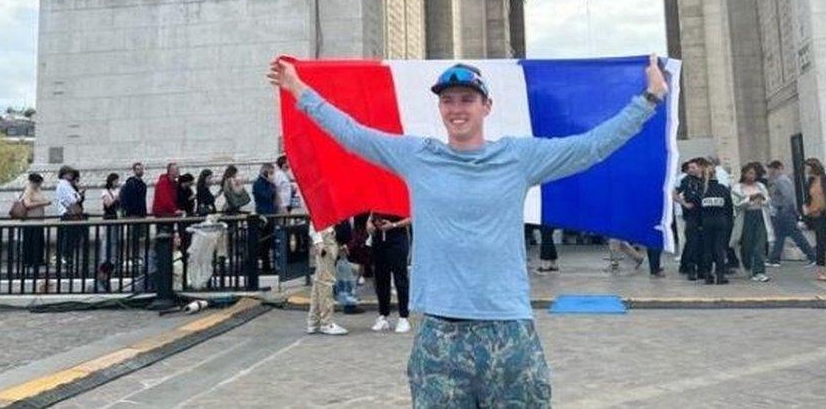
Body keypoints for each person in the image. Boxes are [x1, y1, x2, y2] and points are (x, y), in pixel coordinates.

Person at [270, 54, 666, 406]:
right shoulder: (418, 157)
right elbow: (352, 134)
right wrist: (298, 88)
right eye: (448, 100)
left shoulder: (518, 158)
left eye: (467, 99)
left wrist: (648, 100)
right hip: (440, 334)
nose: (456, 108)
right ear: (440, 107)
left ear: (486, 105)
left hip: (508, 332)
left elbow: (591, 146)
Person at [765, 161, 816, 266]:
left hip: (784, 211)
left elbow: (788, 197)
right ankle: (774, 258)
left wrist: (783, 210)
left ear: (779, 168)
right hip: (781, 211)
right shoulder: (779, 180)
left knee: (795, 235)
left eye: (772, 169)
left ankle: (812, 256)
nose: (770, 171)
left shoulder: (781, 181)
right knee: (780, 236)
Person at [368, 212, 411, 333]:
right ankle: (383, 314)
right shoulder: (377, 196)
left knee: (400, 278)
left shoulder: (404, 194)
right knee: (381, 278)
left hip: (397, 238)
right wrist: (369, 223)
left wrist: (394, 225)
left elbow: (411, 217)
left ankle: (403, 316)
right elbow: (371, 215)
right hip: (379, 239)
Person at [731, 162, 773, 282]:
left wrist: (763, 199)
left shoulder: (760, 186)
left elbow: (768, 200)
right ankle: (748, 265)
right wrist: (750, 198)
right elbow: (737, 204)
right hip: (746, 217)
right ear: (744, 174)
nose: (752, 176)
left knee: (759, 244)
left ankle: (759, 271)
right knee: (747, 244)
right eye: (749, 173)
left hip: (759, 215)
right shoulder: (737, 187)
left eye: (754, 174)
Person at [307, 224, 348, 335]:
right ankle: (326, 323)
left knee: (319, 281)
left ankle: (313, 321)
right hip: (325, 239)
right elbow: (314, 221)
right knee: (326, 282)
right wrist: (318, 242)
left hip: (329, 237)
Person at [699, 160, 733, 284]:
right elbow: (729, 208)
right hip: (721, 221)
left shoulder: (703, 191)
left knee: (707, 248)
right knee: (719, 248)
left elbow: (698, 209)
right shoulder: (723, 189)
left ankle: (708, 275)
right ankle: (720, 275)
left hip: (706, 222)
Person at [677, 159, 706, 280]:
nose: (691, 170)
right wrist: (684, 204)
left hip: (703, 214)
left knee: (702, 242)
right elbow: (675, 193)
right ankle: (691, 268)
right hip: (691, 215)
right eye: (689, 168)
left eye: (693, 167)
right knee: (692, 242)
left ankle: (702, 269)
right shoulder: (686, 181)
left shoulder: (704, 181)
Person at [21, 173, 52, 268]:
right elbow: (27, 204)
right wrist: (43, 203)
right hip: (31, 220)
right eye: (38, 183)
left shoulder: (38, 190)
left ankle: (38, 259)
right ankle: (29, 261)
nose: (39, 185)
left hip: (39, 219)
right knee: (31, 241)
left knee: (39, 240)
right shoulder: (28, 190)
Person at [119, 162, 148, 263]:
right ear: (134, 170)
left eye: (141, 169)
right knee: (132, 236)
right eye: (138, 169)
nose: (140, 171)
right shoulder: (130, 184)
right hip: (132, 213)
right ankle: (130, 256)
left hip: (140, 213)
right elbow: (125, 199)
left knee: (138, 236)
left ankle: (135, 256)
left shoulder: (143, 184)